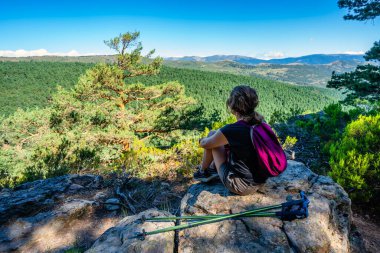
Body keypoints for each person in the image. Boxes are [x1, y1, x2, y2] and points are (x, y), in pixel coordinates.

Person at [194, 85, 268, 195]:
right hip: (261, 179)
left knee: (212, 142)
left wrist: (201, 141)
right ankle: (209, 169)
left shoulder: (234, 129)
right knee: (213, 134)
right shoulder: (261, 123)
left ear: (233, 107)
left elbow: (206, 144)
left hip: (242, 186)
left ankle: (203, 172)